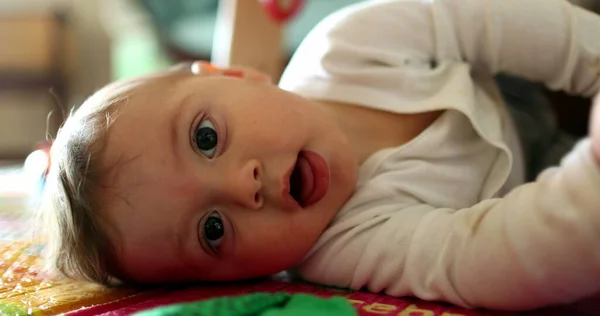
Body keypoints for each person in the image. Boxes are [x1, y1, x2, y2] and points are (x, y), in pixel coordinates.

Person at [38, 0, 600, 311]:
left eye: (205, 138)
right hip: (530, 177)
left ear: (234, 74)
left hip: (500, 83)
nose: (244, 186)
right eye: (212, 230)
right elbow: (488, 258)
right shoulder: (340, 248)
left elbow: (489, 23)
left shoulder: (348, 43)